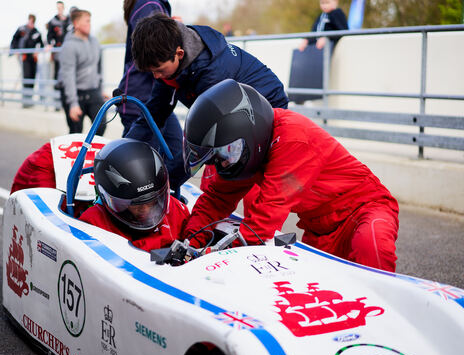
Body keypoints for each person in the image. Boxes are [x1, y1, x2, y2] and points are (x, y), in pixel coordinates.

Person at [182, 79, 399, 272]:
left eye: (226, 153)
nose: (223, 162)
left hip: (364, 210)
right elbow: (215, 200)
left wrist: (211, 255)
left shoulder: (292, 139)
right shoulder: (251, 150)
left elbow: (262, 223)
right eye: (218, 157)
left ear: (250, 137)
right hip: (319, 229)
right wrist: (188, 243)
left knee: (370, 245)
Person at [125, 13, 289, 191]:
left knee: (240, 180)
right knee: (215, 180)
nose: (155, 76)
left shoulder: (210, 74)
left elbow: (200, 143)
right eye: (151, 72)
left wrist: (161, 186)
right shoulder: (168, 55)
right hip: (231, 105)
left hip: (266, 105)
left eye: (158, 70)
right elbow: (154, 114)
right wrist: (124, 151)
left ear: (179, 54)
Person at [79, 139, 190, 251]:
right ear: (107, 198)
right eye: (137, 205)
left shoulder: (177, 212)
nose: (146, 210)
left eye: (152, 202)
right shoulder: (93, 224)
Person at [116, 0, 173, 137]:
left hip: (156, 98)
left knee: (176, 152)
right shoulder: (150, 5)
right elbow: (155, 52)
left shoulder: (152, 4)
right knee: (138, 157)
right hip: (142, 98)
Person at [58, 9, 106, 134]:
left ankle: (92, 154)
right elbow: (68, 76)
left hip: (93, 91)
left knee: (101, 126)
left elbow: (99, 69)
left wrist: (101, 90)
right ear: (76, 24)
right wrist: (73, 103)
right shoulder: (68, 46)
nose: (90, 24)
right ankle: (79, 153)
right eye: (87, 21)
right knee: (75, 133)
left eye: (90, 21)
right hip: (75, 94)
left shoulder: (95, 42)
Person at [11, 14, 44, 107]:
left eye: (32, 21)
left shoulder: (37, 32)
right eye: (30, 20)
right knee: (26, 78)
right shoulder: (21, 29)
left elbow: (41, 45)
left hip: (33, 58)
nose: (31, 23)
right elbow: (14, 40)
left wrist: (37, 52)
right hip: (24, 57)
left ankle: (30, 100)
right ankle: (25, 101)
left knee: (32, 79)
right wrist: (16, 51)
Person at [47, 1, 70, 81]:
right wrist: (50, 44)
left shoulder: (69, 20)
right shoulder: (52, 22)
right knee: (57, 71)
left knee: (68, 70)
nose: (59, 9)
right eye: (58, 8)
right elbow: (49, 36)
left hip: (69, 50)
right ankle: (57, 90)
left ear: (63, 8)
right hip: (58, 50)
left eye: (61, 8)